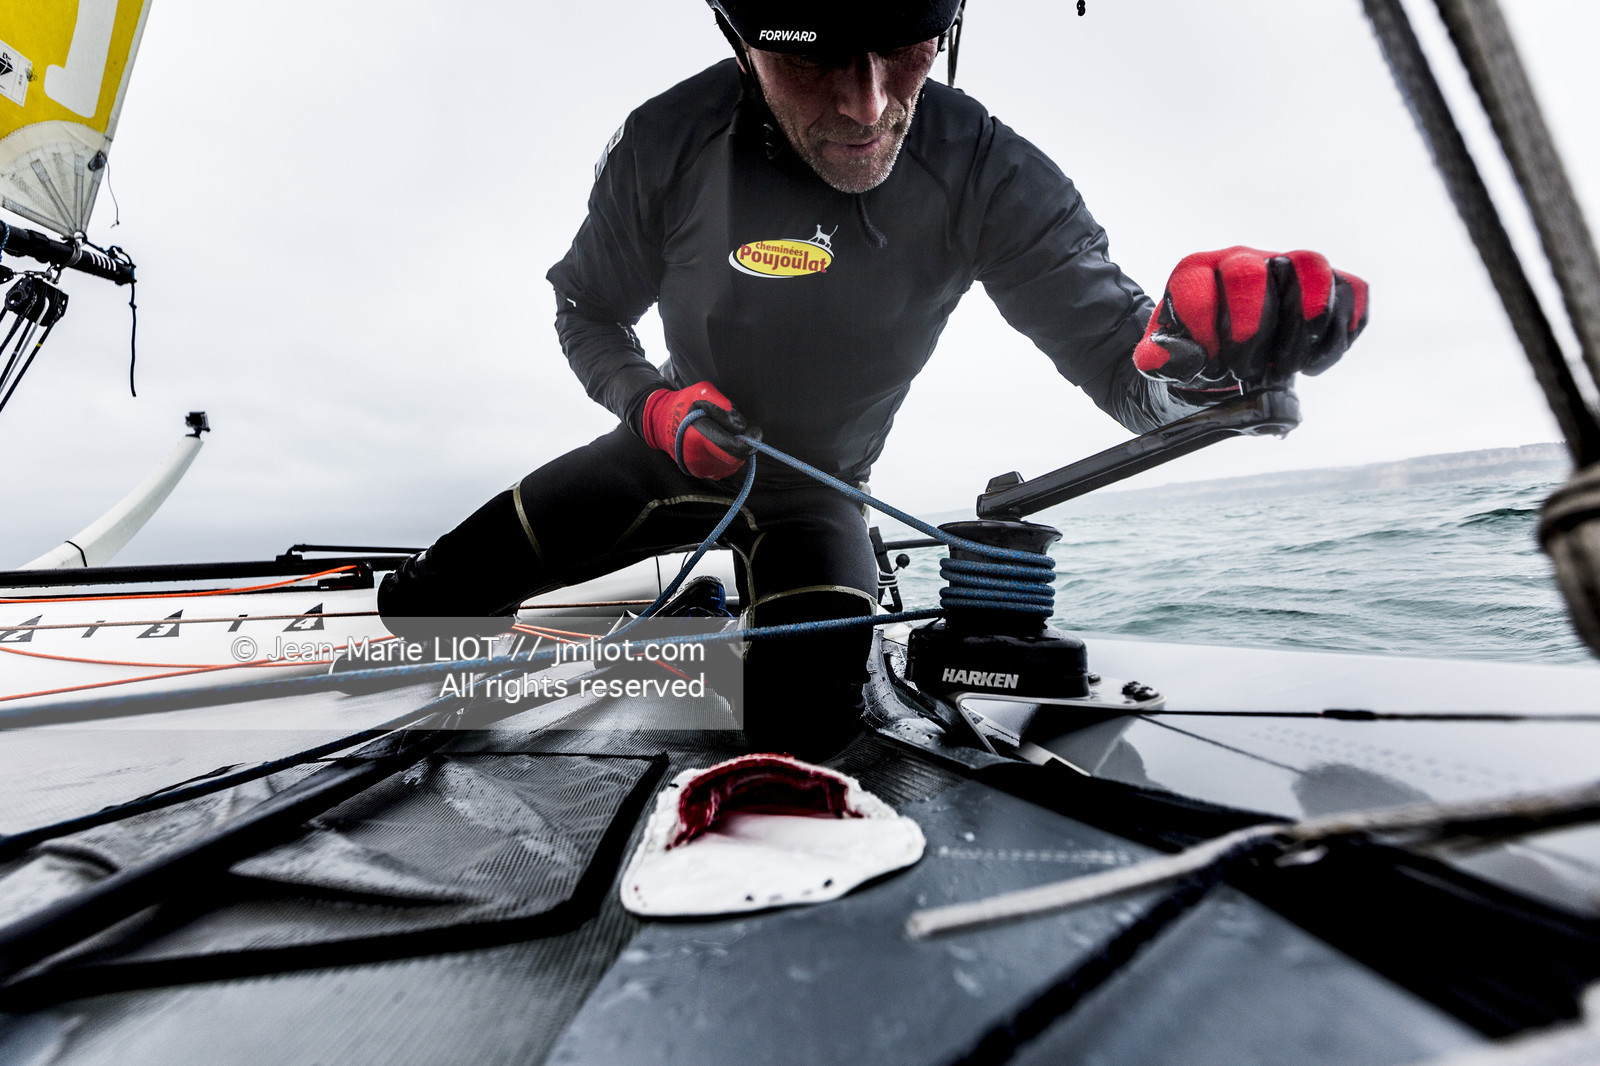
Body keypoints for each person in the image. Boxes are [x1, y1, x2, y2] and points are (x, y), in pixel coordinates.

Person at [378, 0, 1368, 759]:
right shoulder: (667, 142)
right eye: (808, 53)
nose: (865, 104)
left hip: (817, 496)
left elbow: (1128, 369)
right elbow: (586, 310)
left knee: (803, 734)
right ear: (739, 39)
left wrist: (1205, 362)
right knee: (423, 609)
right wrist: (653, 405)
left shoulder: (987, 172)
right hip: (661, 455)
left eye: (905, 43)